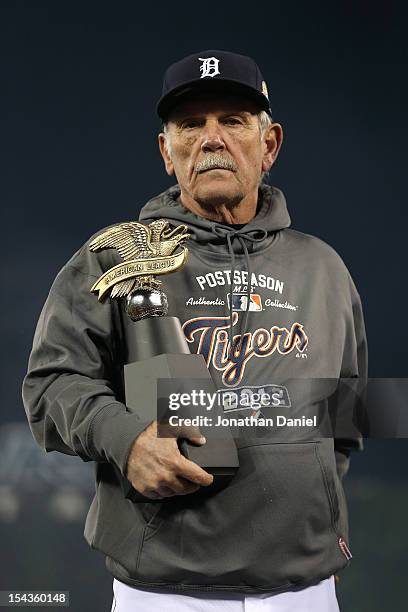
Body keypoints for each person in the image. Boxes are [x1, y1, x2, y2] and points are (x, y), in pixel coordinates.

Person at [22, 50, 367, 611]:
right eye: (190, 124)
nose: (212, 139)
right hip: (165, 591)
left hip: (305, 589)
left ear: (269, 144)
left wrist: (305, 487)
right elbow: (50, 384)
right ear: (167, 151)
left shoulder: (323, 268)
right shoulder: (113, 257)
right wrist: (126, 438)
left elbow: (346, 419)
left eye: (232, 121)